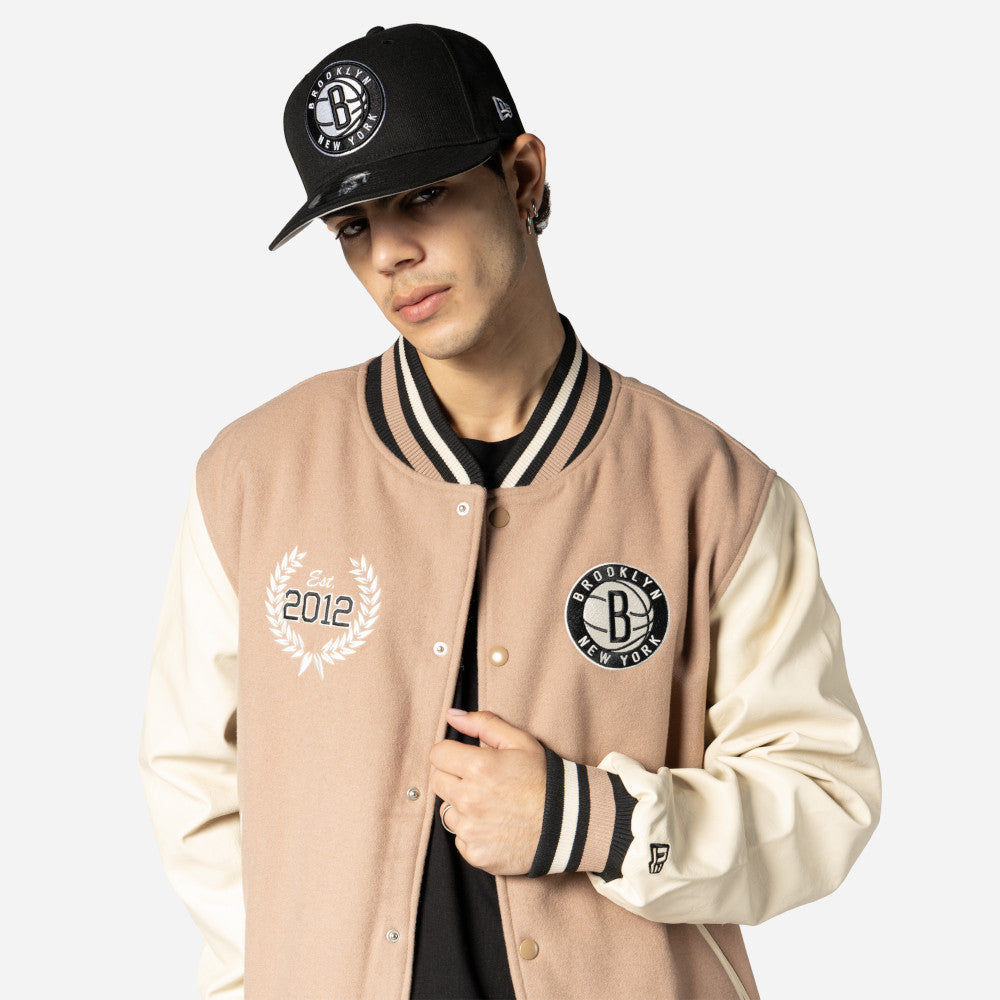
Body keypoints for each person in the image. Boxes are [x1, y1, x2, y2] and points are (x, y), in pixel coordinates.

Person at [139, 23, 881, 1000]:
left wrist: (591, 819)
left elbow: (822, 798)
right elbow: (194, 779)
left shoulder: (715, 492)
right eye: (353, 225)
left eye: (424, 196)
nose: (391, 253)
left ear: (522, 176)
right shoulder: (253, 476)